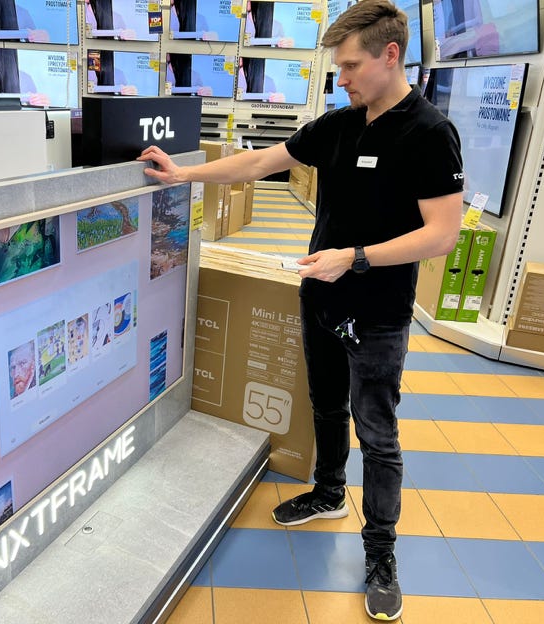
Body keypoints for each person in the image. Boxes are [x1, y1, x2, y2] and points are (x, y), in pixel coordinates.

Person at [138, 1, 464, 620]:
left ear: (389, 55)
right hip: (320, 294)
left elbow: (441, 234)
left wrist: (357, 258)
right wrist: (184, 173)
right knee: (323, 404)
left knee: (379, 433)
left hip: (378, 312)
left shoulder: (428, 133)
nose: (341, 78)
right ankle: (329, 492)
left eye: (350, 66)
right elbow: (263, 161)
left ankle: (380, 552)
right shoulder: (339, 125)